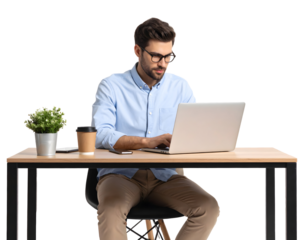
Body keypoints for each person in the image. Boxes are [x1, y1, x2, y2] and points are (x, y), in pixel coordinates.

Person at [90, 17, 222, 240]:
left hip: (168, 176)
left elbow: (197, 131)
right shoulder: (110, 85)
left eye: (169, 56)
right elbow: (99, 134)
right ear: (137, 51)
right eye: (156, 56)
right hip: (121, 176)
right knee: (111, 210)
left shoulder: (181, 86)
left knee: (208, 207)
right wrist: (147, 142)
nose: (163, 63)